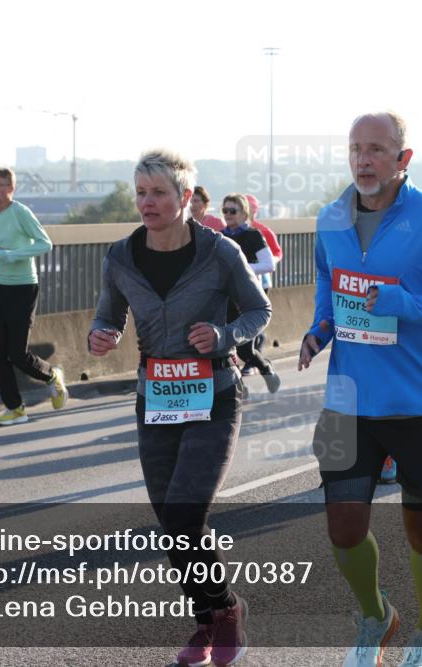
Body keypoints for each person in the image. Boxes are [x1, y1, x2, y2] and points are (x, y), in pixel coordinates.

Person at [299, 111, 422, 667]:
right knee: (343, 527)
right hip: (348, 397)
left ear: (403, 159)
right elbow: (328, 283)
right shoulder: (331, 218)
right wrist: (320, 328)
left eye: (377, 150)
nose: (364, 160)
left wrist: (406, 305)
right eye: (356, 149)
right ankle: (375, 617)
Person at [89, 149, 272, 666]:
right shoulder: (121, 256)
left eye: (159, 194)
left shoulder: (220, 252)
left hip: (213, 395)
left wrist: (222, 335)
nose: (147, 203)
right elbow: (109, 313)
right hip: (156, 398)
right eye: (141, 193)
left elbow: (259, 309)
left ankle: (229, 610)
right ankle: (207, 620)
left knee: (186, 514)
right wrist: (101, 333)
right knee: (170, 522)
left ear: (185, 198)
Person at [0, 167, 68, 425]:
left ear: (11, 189)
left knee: (17, 353)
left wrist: (14, 255)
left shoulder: (21, 212)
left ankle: (52, 376)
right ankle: (15, 408)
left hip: (23, 288)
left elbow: (45, 244)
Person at [221, 193, 281, 393]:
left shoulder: (253, 235)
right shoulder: (219, 237)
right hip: (224, 299)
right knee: (223, 345)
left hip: (247, 298)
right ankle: (237, 385)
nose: (228, 215)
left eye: (233, 211)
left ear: (244, 212)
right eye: (225, 210)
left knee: (245, 350)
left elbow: (269, 264)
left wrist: (243, 268)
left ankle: (265, 368)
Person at [242, 194, 284, 376]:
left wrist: (258, 265)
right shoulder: (230, 230)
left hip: (262, 281)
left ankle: (252, 361)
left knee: (255, 319)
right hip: (238, 283)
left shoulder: (261, 231)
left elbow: (277, 253)